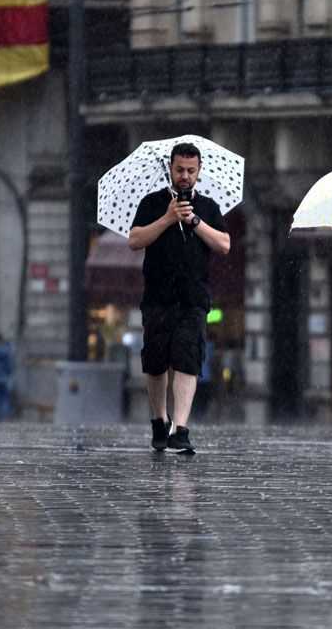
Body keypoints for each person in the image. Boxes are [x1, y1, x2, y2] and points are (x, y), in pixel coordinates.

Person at [129, 142, 230, 453]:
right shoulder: (152, 202)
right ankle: (159, 420)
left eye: (191, 170)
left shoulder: (209, 207)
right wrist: (168, 219)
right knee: (156, 364)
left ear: (199, 171)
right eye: (179, 170)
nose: (185, 176)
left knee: (188, 361)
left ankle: (180, 428)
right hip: (157, 297)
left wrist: (194, 222)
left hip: (193, 299)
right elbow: (135, 240)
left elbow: (224, 244)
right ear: (170, 169)